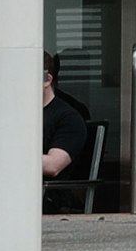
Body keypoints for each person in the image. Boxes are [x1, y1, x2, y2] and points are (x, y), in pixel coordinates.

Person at [41, 59, 96, 190]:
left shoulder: (69, 118)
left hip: (46, 198)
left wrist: (7, 157)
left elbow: (53, 166)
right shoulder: (15, 114)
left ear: (47, 80)